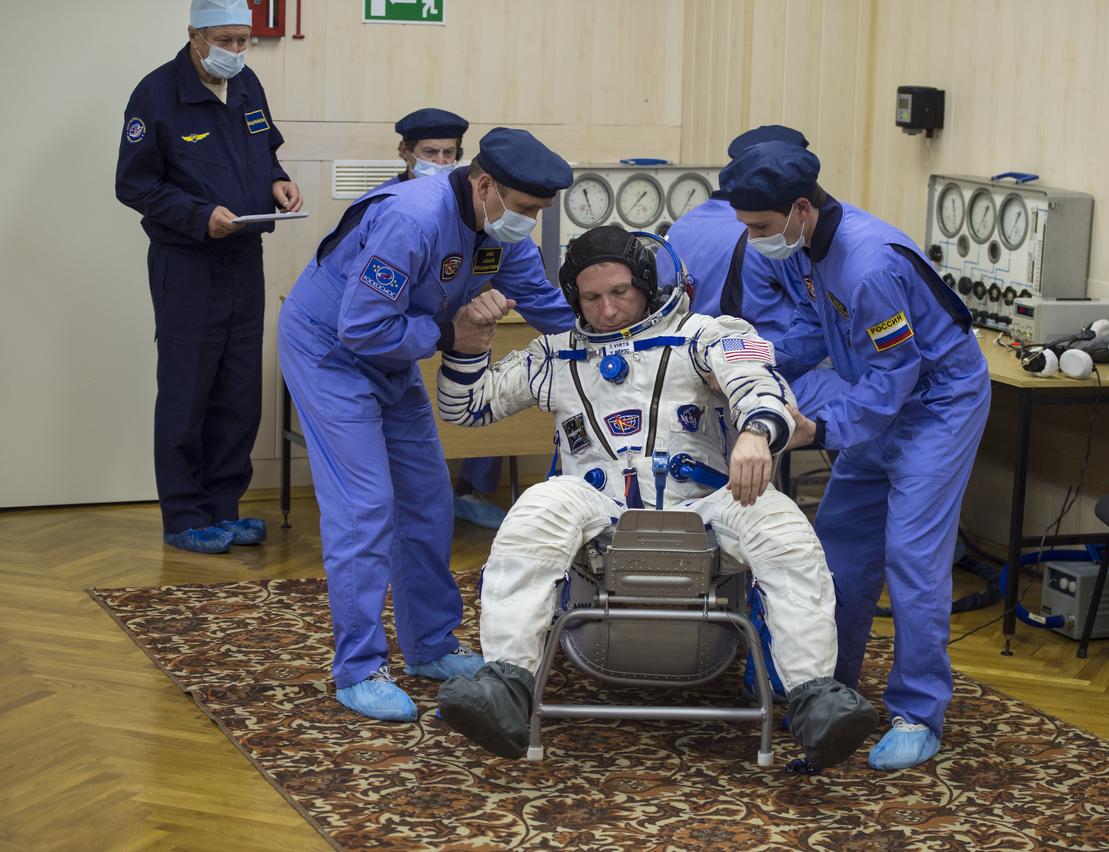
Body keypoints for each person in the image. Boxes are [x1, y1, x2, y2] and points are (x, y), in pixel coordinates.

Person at [433, 225, 878, 770]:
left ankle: (813, 697)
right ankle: (505, 686)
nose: (608, 310)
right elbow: (465, 408)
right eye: (592, 298)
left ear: (646, 285)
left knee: (781, 525)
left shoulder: (704, 335)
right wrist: (467, 345)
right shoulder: (556, 356)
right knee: (535, 510)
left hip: (705, 510)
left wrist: (757, 432)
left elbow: (758, 381)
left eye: (620, 292)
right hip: (598, 515)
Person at [277, 128, 577, 721]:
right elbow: (358, 329)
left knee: (428, 501)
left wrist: (621, 331)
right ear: (485, 184)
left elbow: (545, 304)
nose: (528, 223)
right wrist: (447, 334)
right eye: (523, 210)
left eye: (538, 213)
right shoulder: (411, 220)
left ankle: (430, 645)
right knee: (366, 506)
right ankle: (358, 668)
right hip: (330, 353)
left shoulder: (502, 226)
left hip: (395, 352)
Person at [720, 142, 991, 770]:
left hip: (937, 406)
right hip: (877, 396)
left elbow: (898, 371)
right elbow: (817, 332)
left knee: (911, 556)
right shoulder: (804, 249)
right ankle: (823, 687)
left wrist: (822, 427)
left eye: (759, 228)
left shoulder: (868, 263)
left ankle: (918, 712)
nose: (754, 239)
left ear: (799, 209)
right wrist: (744, 360)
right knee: (838, 546)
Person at [115, 0, 303, 555]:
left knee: (239, 389)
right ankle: (184, 515)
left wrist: (279, 182)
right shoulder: (156, 94)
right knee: (187, 390)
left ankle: (225, 507)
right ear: (194, 35)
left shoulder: (247, 86)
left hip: (244, 257)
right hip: (188, 263)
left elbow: (265, 149)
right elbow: (135, 185)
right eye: (226, 41)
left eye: (244, 41)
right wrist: (200, 217)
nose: (237, 52)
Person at [373, 107, 510, 528]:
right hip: (401, 333)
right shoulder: (391, 206)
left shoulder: (480, 205)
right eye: (430, 152)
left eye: (450, 153)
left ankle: (471, 488)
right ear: (405, 153)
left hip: (449, 328)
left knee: (496, 378)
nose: (442, 162)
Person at [666, 125, 851, 420]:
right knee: (868, 396)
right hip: (763, 372)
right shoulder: (775, 235)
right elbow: (820, 318)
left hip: (696, 374)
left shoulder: (682, 226)